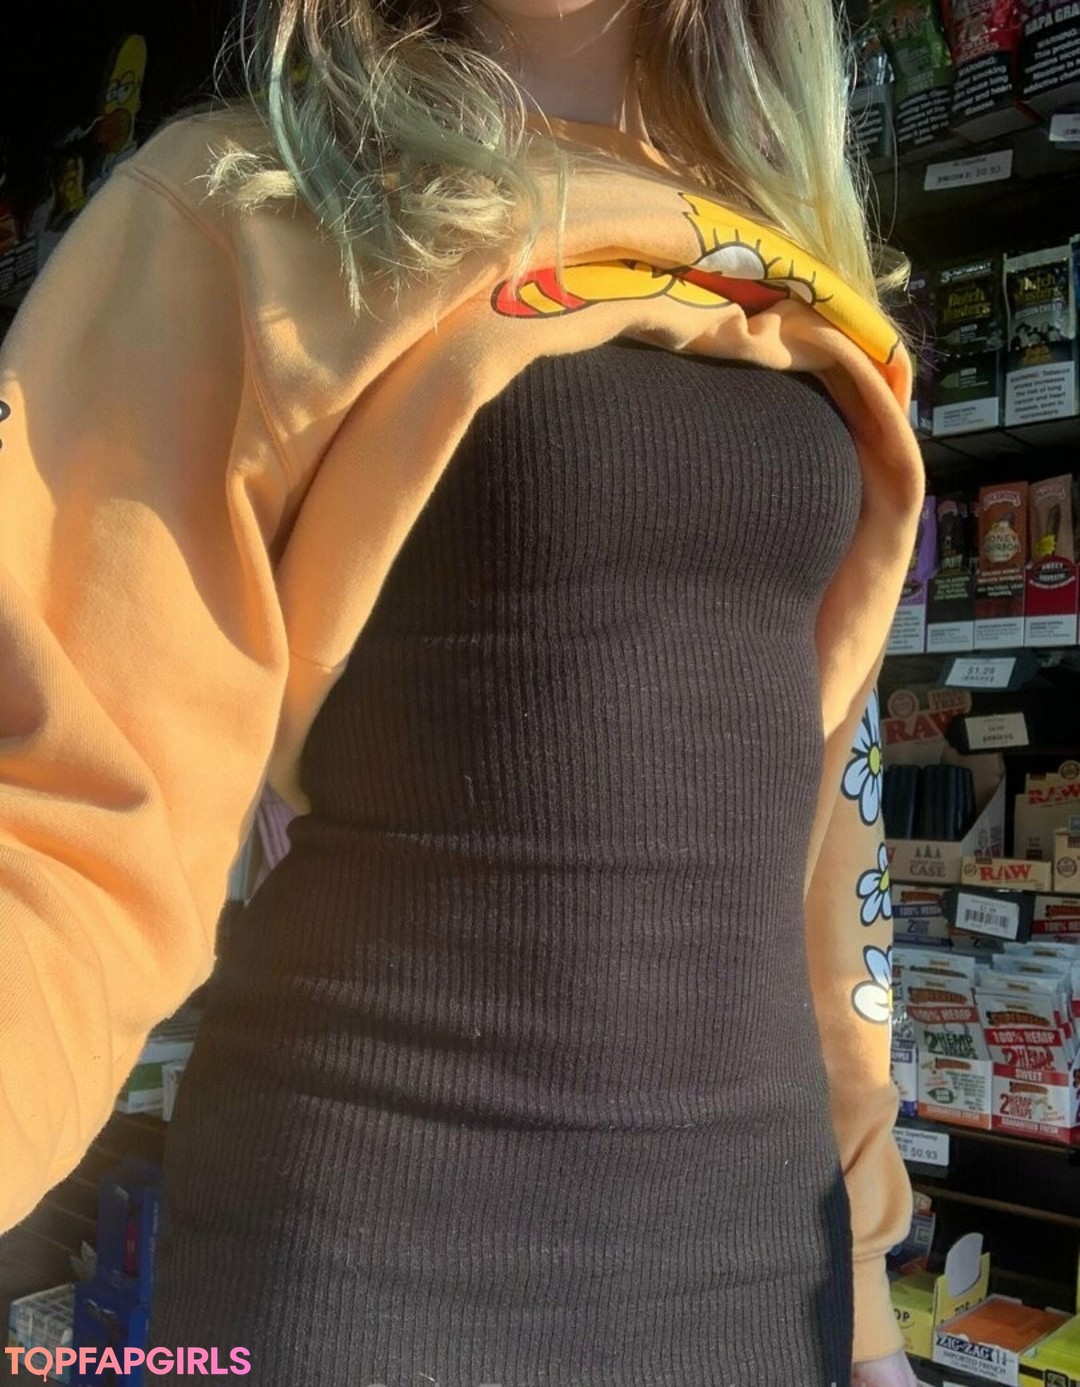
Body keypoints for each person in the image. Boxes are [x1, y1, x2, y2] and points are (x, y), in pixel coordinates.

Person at [0, 0, 926, 1382]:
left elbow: (813, 813)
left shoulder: (787, 266)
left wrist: (860, 1287)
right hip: (381, 1256)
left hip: (755, 1258)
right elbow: (62, 812)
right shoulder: (246, 209)